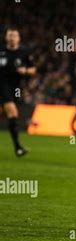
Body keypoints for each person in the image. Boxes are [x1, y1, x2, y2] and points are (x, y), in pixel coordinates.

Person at [0, 27, 36, 157]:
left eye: (14, 36)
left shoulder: (24, 52)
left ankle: (17, 147)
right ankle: (18, 148)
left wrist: (25, 71)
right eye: (9, 35)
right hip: (2, 86)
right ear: (6, 37)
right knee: (13, 112)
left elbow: (33, 70)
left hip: (15, 88)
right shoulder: (1, 51)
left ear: (18, 38)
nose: (11, 38)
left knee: (6, 113)